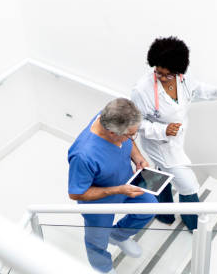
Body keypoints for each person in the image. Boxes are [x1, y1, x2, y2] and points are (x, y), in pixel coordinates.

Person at [131, 37, 217, 231]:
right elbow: (135, 123)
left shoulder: (183, 77)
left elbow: (199, 90)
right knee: (188, 184)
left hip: (176, 138)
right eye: (157, 71)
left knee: (161, 171)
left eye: (166, 74)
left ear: (178, 71)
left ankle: (163, 213)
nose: (160, 76)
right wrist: (162, 130)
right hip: (157, 143)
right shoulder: (141, 90)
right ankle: (194, 224)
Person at [68, 98, 158, 274]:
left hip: (127, 183)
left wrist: (138, 158)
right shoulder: (83, 155)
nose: (132, 138)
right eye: (130, 135)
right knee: (96, 242)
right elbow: (76, 193)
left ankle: (117, 236)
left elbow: (129, 143)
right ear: (112, 133)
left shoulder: (110, 118)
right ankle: (103, 268)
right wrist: (117, 190)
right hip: (99, 204)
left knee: (150, 207)